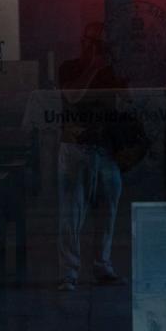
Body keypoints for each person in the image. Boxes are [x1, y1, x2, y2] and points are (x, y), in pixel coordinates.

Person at [56, 23, 127, 291]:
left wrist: (115, 68)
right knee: (71, 214)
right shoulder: (70, 67)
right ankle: (68, 272)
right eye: (92, 42)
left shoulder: (111, 71)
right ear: (82, 42)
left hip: (104, 149)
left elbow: (125, 102)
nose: (95, 49)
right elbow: (72, 96)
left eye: (102, 45)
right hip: (75, 149)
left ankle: (102, 264)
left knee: (108, 212)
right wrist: (94, 67)